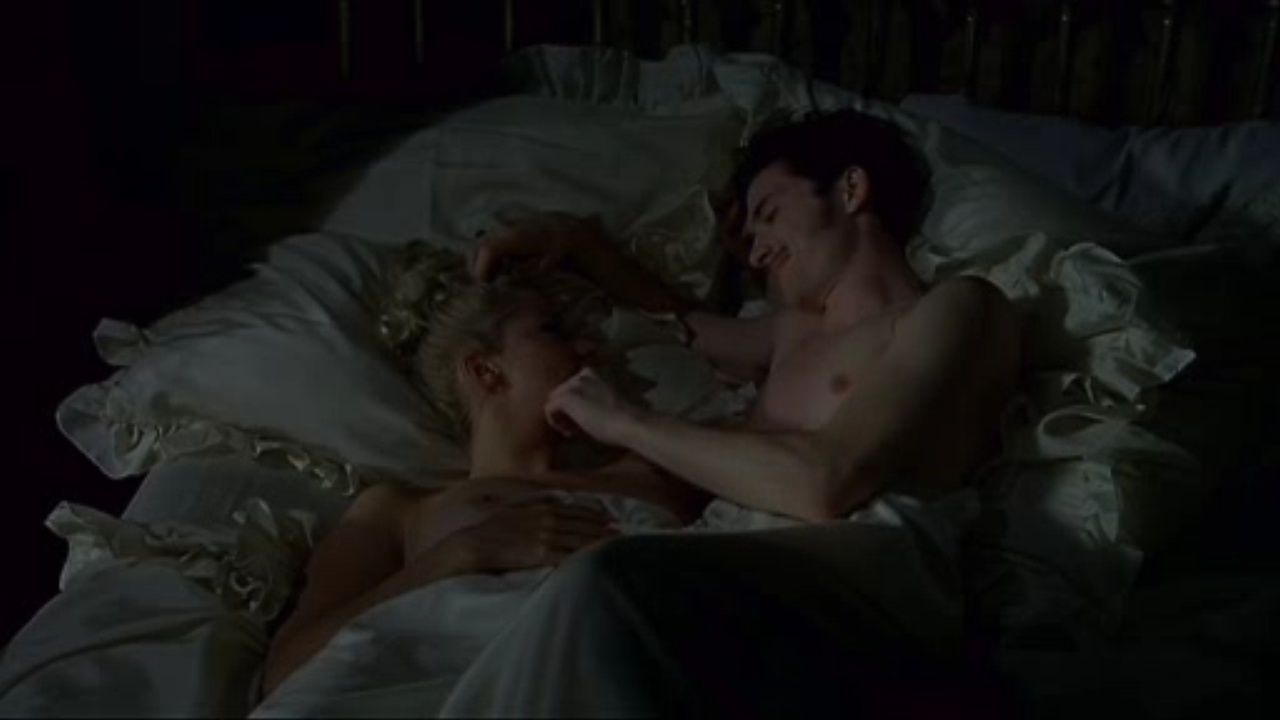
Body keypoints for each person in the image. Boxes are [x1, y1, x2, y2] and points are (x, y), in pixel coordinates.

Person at [438, 108, 1022, 715]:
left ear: (851, 189)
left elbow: (827, 480)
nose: (758, 251)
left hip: (868, 581)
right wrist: (578, 242)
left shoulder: (953, 309)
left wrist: (627, 422)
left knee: (605, 584)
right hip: (744, 575)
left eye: (769, 214)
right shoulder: (791, 334)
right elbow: (681, 322)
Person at [259, 245, 709, 698]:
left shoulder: (649, 468)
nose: (588, 348)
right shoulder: (399, 510)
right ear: (485, 370)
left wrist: (585, 244)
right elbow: (287, 671)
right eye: (552, 331)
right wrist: (460, 555)